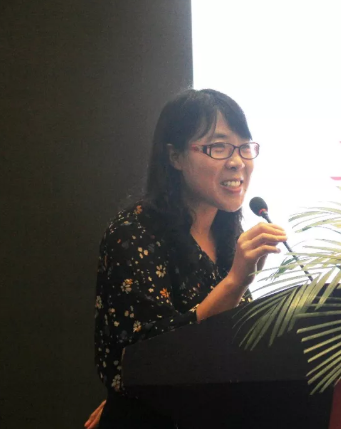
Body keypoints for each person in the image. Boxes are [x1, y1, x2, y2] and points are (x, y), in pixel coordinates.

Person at [89, 89, 287, 428]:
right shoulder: (134, 232)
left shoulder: (227, 233)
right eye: (219, 147)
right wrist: (235, 282)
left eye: (244, 147)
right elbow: (147, 357)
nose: (237, 161)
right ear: (175, 157)